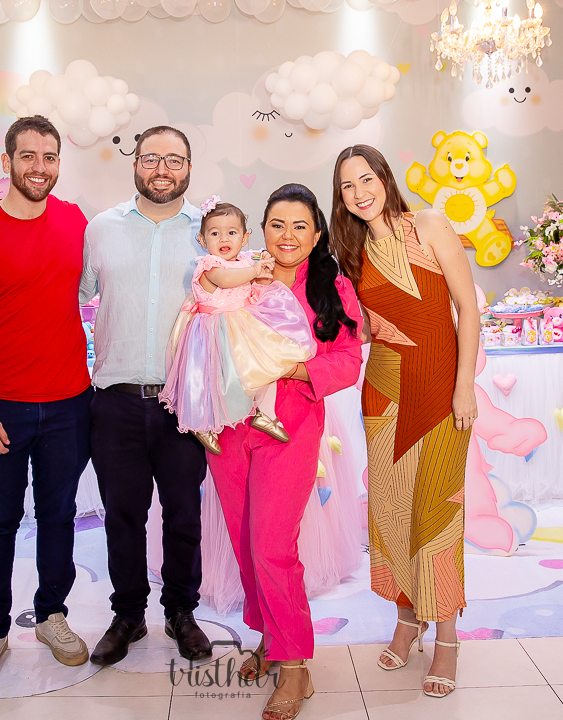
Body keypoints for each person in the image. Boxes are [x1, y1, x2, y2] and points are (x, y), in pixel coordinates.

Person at [0, 116, 93, 687]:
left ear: (59, 164)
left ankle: (52, 616)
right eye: (27, 156)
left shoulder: (75, 221)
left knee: (59, 517)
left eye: (49, 157)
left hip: (69, 403)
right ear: (6, 162)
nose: (39, 167)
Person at [207, 184, 363, 720]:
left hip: (291, 427)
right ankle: (270, 639)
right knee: (245, 540)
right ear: (262, 230)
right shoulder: (241, 273)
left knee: (273, 544)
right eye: (277, 224)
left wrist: (293, 368)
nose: (288, 236)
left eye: (300, 226)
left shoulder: (331, 285)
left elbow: (348, 361)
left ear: (317, 234)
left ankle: (295, 664)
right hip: (230, 426)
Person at [330, 144, 480, 699]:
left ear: (385, 179)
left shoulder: (431, 224)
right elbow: (365, 329)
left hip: (441, 386)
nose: (360, 192)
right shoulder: (350, 252)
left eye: (366, 179)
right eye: (348, 186)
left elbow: (467, 308)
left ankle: (447, 637)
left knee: (437, 514)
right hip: (384, 391)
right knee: (392, 511)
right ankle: (407, 618)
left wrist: (464, 385)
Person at [79, 125, 213, 665]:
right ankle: (128, 615)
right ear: (135, 163)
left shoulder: (209, 231)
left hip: (185, 402)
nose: (162, 169)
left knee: (184, 516)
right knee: (122, 517)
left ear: (189, 167)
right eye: (151, 158)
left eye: (174, 159)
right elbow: (75, 296)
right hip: (115, 401)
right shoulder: (100, 229)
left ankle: (181, 611)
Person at [158, 197, 316, 454]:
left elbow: (252, 286)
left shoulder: (244, 262)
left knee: (267, 365)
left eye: (232, 232)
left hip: (242, 326)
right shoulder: (210, 266)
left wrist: (262, 277)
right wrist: (254, 271)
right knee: (210, 380)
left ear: (244, 238)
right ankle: (201, 422)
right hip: (215, 331)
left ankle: (265, 412)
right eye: (215, 233)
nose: (224, 239)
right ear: (202, 240)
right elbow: (226, 280)